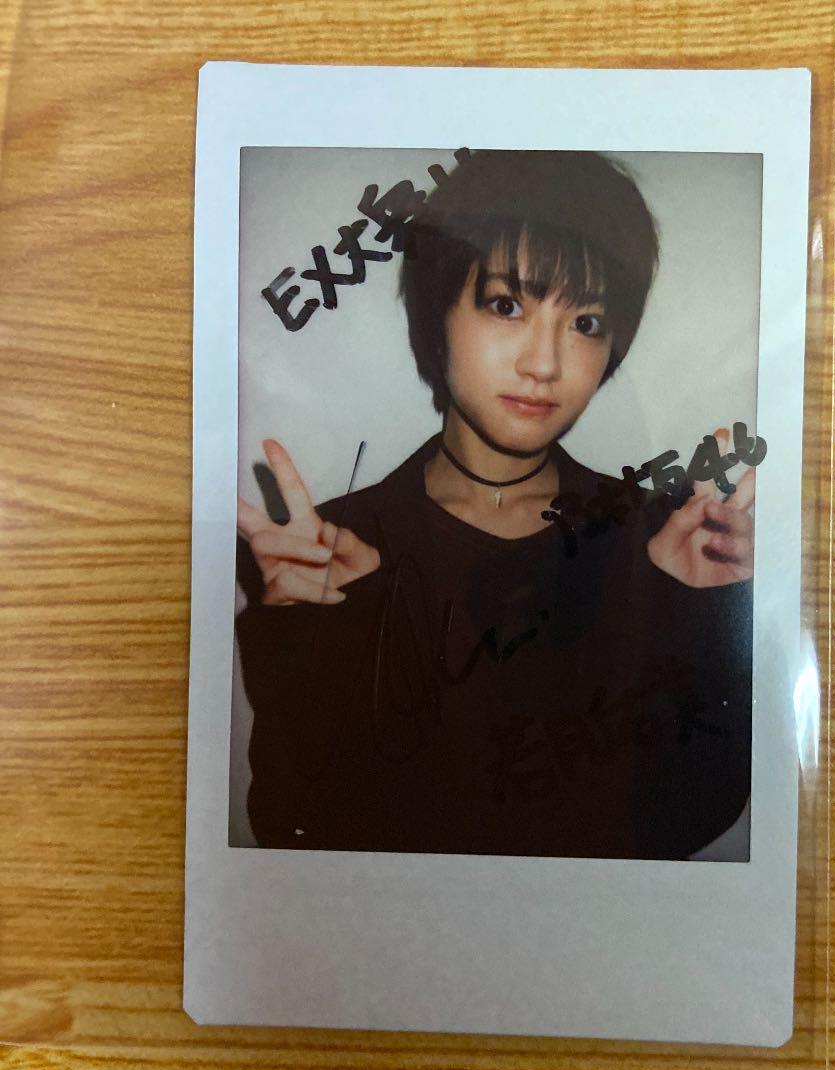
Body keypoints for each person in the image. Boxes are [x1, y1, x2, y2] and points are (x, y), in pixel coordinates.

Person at [234, 150, 755, 860]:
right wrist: (309, 639)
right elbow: (292, 824)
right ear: (436, 315)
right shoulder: (331, 549)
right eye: (507, 306)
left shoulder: (662, 545)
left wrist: (699, 616)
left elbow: (695, 815)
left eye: (587, 323)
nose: (544, 364)